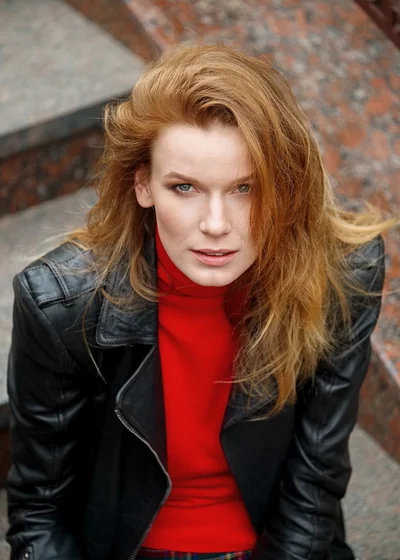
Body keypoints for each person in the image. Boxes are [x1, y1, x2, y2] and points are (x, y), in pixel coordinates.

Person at [6, 43, 396, 560]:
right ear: (143, 184)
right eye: (185, 187)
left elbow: (317, 477)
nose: (216, 225)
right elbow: (40, 509)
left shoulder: (341, 274)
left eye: (245, 188)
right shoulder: (61, 306)